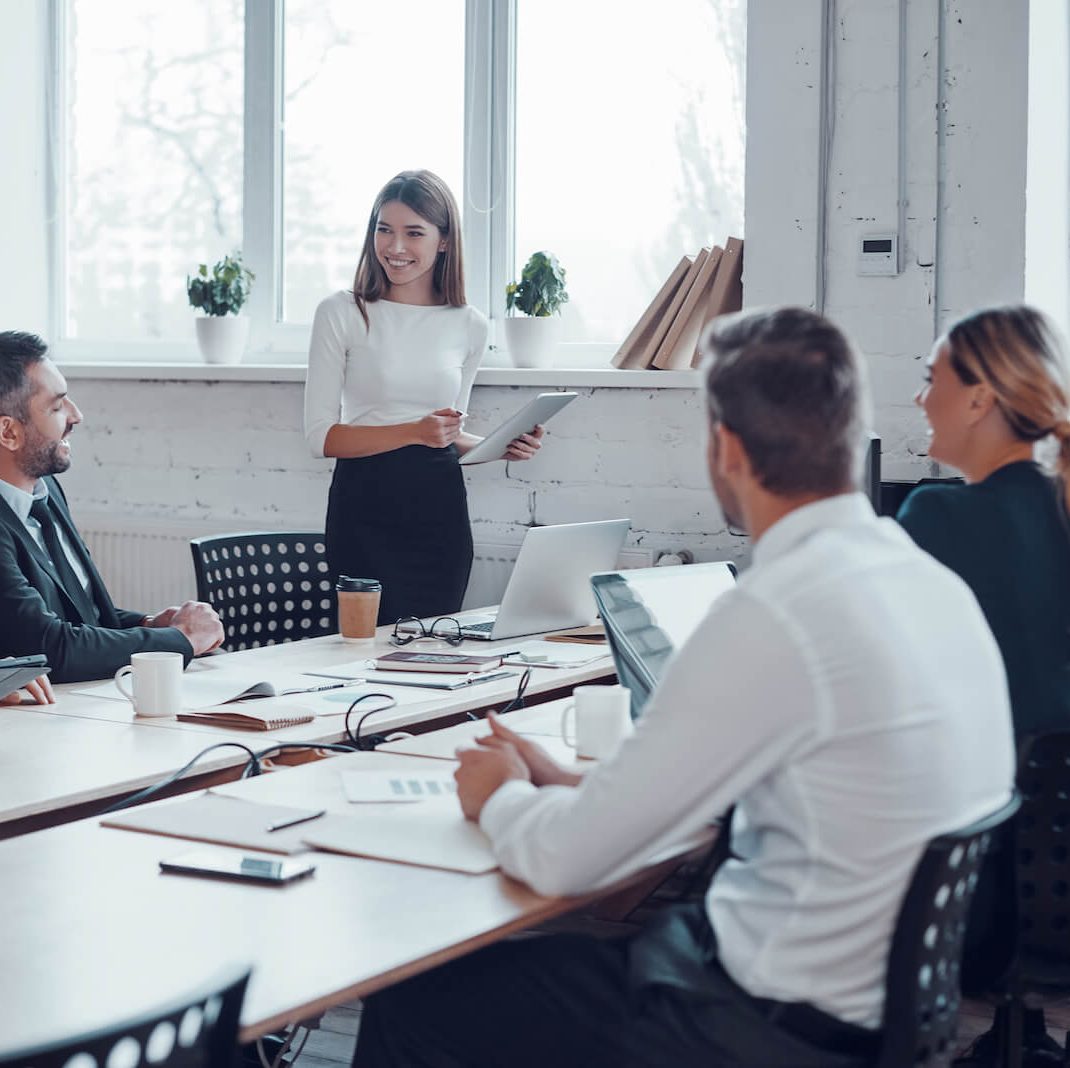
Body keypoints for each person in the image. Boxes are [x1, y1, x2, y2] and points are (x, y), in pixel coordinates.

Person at [351, 307, 1016, 1068]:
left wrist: (499, 793)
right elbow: (761, 795)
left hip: (757, 1023)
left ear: (726, 447)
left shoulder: (778, 609)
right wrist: (572, 781)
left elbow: (568, 862)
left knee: (414, 997)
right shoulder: (925, 582)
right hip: (873, 1015)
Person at [897, 305, 1070, 1066]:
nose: (918, 398)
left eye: (930, 378)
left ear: (978, 399)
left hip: (981, 898)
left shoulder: (936, 516)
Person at [304, 169, 542, 627]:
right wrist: (415, 430)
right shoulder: (342, 312)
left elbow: (444, 435)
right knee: (363, 653)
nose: (395, 247)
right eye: (384, 230)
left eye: (413, 233)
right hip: (364, 510)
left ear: (445, 241)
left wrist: (500, 446)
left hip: (439, 517)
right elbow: (322, 438)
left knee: (433, 651)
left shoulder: (469, 324)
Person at [0, 332, 224, 683]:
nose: (77, 415)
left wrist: (149, 625)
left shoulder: (46, 491)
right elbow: (49, 648)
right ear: (9, 433)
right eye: (57, 406)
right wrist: (181, 640)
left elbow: (84, 619)